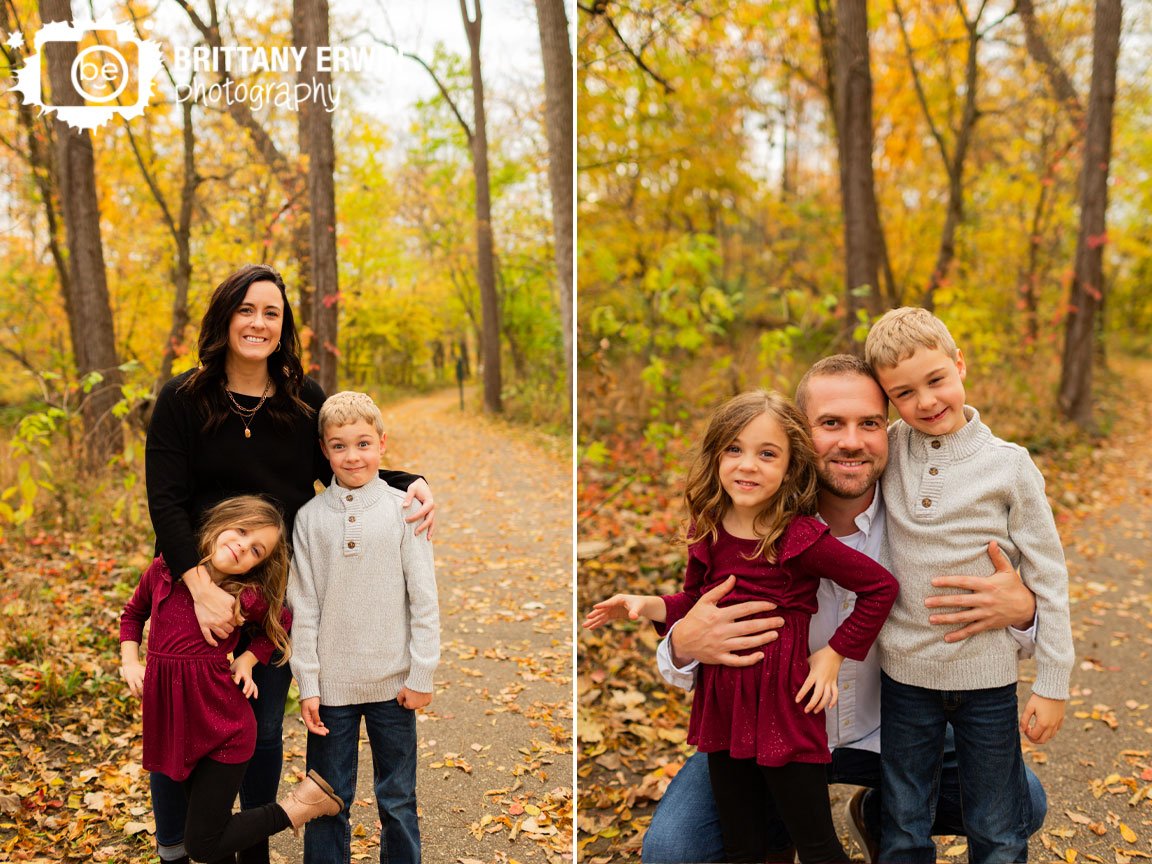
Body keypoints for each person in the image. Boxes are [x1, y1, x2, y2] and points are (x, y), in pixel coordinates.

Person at [643, 354, 1048, 863]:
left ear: (889, 431)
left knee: (1022, 803)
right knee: (673, 853)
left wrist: (1023, 610)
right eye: (830, 423)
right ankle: (775, 831)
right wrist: (680, 646)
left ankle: (883, 816)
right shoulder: (750, 523)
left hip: (894, 732)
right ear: (796, 435)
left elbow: (1014, 627)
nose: (852, 441)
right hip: (764, 723)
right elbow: (686, 633)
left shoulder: (927, 523)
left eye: (870, 424)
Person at [145, 263, 436, 864]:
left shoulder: (304, 399)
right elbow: (165, 502)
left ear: (284, 326)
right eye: (246, 309)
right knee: (183, 726)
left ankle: (251, 851)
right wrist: (200, 590)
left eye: (271, 312)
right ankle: (176, 848)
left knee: (264, 732)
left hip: (275, 596)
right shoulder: (181, 397)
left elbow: (350, 459)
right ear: (225, 316)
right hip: (192, 588)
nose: (257, 322)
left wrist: (416, 481)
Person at [587, 390, 898, 863]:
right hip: (724, 707)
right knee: (742, 846)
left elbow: (880, 587)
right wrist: (645, 604)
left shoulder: (798, 537)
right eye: (734, 449)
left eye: (766, 454)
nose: (747, 465)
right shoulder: (708, 529)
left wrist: (834, 653)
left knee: (816, 845)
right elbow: (695, 603)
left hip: (785, 707)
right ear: (715, 457)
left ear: (792, 467)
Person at [865, 308, 1073, 863]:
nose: (927, 402)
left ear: (960, 366)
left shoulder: (1009, 466)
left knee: (999, 825)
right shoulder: (888, 452)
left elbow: (1049, 575)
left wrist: (1053, 681)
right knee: (904, 824)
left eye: (936, 380)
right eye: (904, 393)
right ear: (889, 399)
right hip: (905, 677)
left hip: (986, 681)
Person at [120, 496, 344, 862]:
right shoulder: (163, 571)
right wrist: (130, 661)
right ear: (219, 522)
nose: (243, 546)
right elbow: (132, 614)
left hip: (224, 728)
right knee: (214, 834)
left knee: (202, 845)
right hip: (177, 724)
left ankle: (301, 804)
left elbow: (280, 623)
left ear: (257, 564)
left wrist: (248, 657)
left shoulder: (245, 596)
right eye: (241, 531)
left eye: (257, 549)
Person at [288, 391, 440, 864]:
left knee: (397, 800)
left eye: (363, 444)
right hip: (332, 688)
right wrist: (308, 683)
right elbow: (305, 606)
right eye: (339, 446)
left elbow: (424, 599)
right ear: (324, 450)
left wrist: (421, 675)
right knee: (328, 800)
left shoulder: (404, 508)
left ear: (382, 444)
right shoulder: (309, 519)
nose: (353, 456)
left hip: (393, 685)